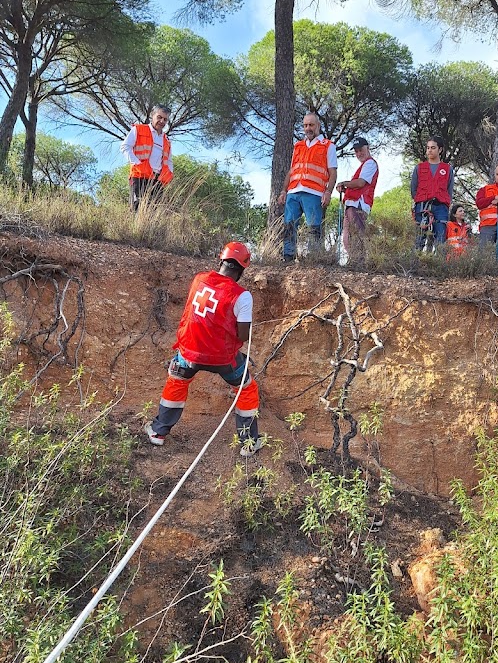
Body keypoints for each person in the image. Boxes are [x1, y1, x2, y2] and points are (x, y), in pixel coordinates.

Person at [144, 242, 264, 456]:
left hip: (189, 352)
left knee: (177, 382)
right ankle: (248, 444)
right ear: (243, 269)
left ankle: (158, 432)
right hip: (224, 359)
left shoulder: (199, 279)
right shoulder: (242, 296)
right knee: (246, 389)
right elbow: (244, 336)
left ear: (221, 260)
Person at [277, 112, 338, 262]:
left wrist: (328, 192)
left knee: (313, 227)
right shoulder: (297, 146)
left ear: (318, 125)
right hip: (293, 191)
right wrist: (284, 190)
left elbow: (333, 172)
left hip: (314, 192)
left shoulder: (328, 146)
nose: (308, 128)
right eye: (305, 125)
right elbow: (292, 170)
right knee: (289, 225)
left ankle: (313, 259)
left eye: (311, 125)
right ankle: (288, 257)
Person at [121, 105, 174, 212]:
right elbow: (125, 147)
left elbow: (169, 160)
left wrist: (169, 174)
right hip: (139, 176)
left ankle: (150, 229)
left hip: (157, 180)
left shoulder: (166, 140)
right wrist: (137, 163)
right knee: (137, 209)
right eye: (159, 117)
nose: (162, 121)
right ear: (152, 116)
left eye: (165, 119)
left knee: (154, 212)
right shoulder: (138, 129)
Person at [336, 136, 379, 263]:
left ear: (368, 148)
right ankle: (354, 261)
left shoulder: (370, 163)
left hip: (358, 204)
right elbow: (357, 185)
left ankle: (358, 262)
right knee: (347, 237)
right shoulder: (363, 166)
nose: (359, 153)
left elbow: (360, 183)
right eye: (356, 151)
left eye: (361, 149)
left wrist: (345, 183)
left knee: (356, 234)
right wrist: (347, 189)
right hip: (352, 203)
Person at [410, 136, 454, 248]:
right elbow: (413, 189)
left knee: (440, 240)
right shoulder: (419, 168)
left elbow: (449, 190)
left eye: (433, 147)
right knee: (419, 240)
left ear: (440, 150)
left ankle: (439, 264)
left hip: (440, 208)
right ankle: (416, 264)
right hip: (422, 207)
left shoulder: (447, 169)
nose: (429, 150)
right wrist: (420, 201)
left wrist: (444, 203)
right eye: (428, 147)